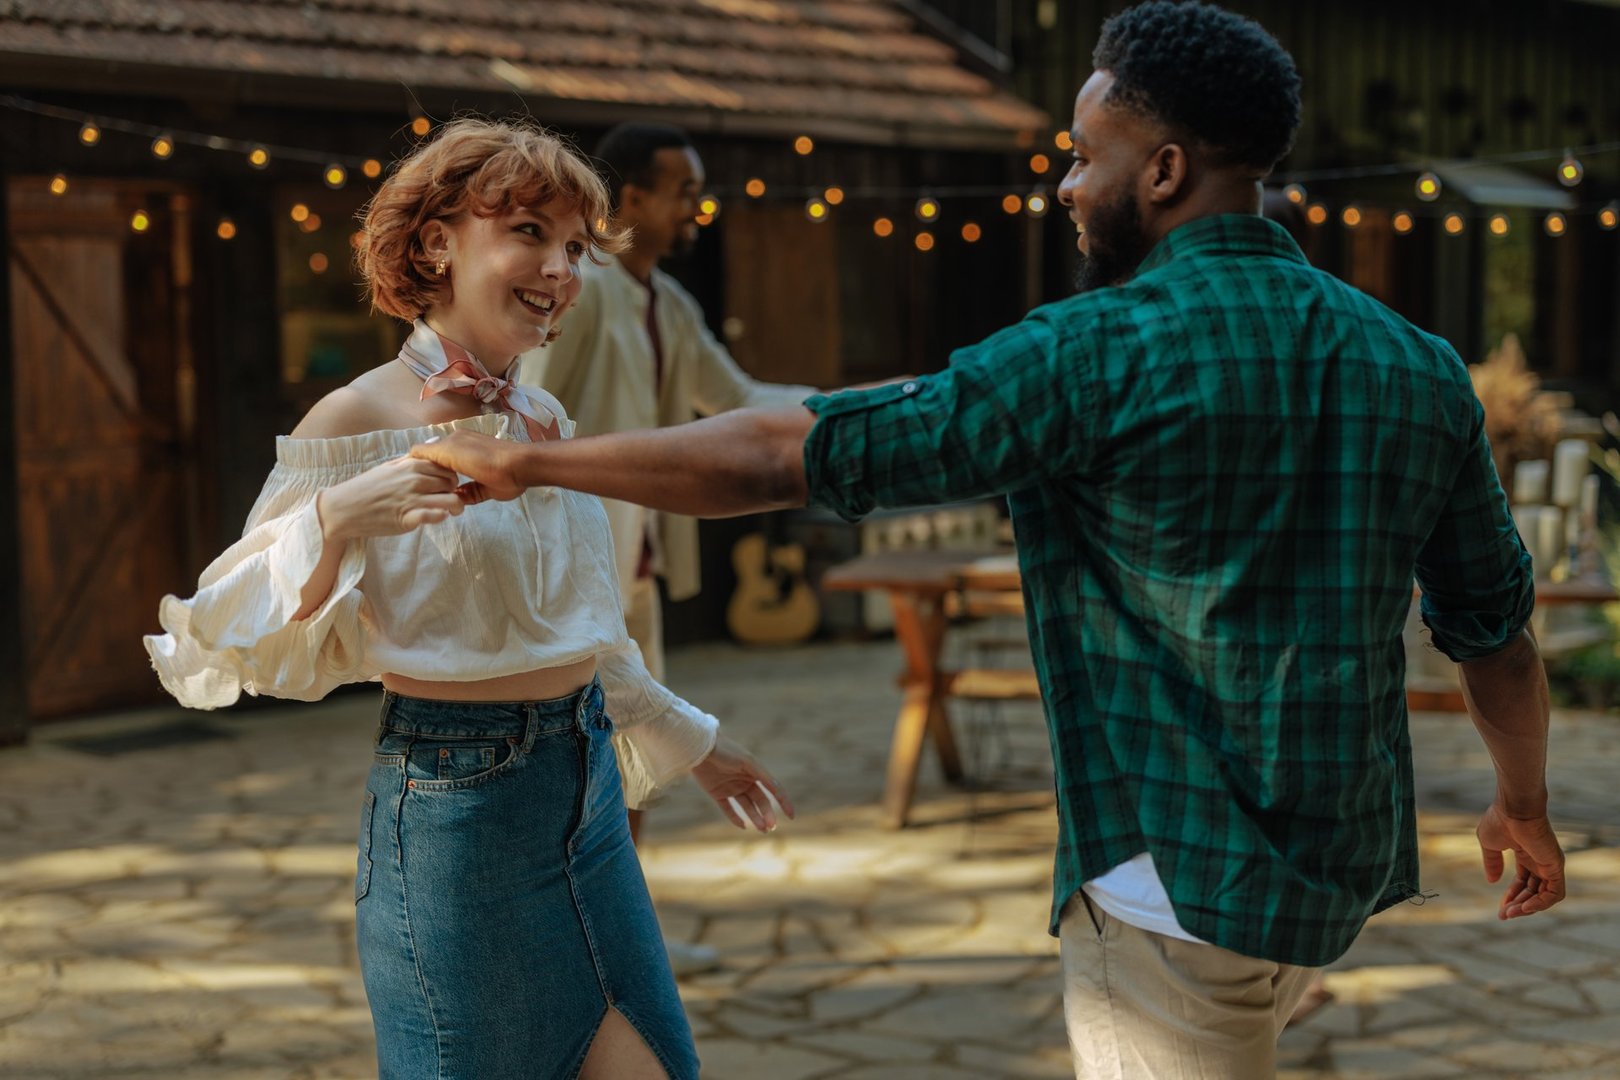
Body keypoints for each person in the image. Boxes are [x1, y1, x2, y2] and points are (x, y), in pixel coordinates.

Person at [410, 5, 1566, 1078]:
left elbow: (781, 458)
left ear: (1162, 173)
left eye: (1082, 156)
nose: (1065, 187)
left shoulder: (1092, 352)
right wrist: (1524, 802)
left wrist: (529, 461)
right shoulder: (1415, 363)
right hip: (1333, 878)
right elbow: (1496, 634)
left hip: (1170, 885)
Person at [144, 117, 792, 1080]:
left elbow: (589, 626)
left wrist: (697, 743)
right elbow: (235, 633)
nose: (561, 268)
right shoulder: (354, 417)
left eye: (575, 247)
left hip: (590, 798)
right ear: (438, 241)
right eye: (530, 233)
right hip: (457, 817)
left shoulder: (541, 418)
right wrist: (340, 512)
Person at [521, 122, 816, 975]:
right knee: (588, 761)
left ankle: (624, 941)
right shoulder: (582, 289)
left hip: (637, 559)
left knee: (636, 755)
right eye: (683, 189)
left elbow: (741, 399)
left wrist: (868, 405)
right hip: (577, 565)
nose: (696, 206)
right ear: (636, 198)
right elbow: (527, 414)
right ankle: (587, 946)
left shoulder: (666, 300)